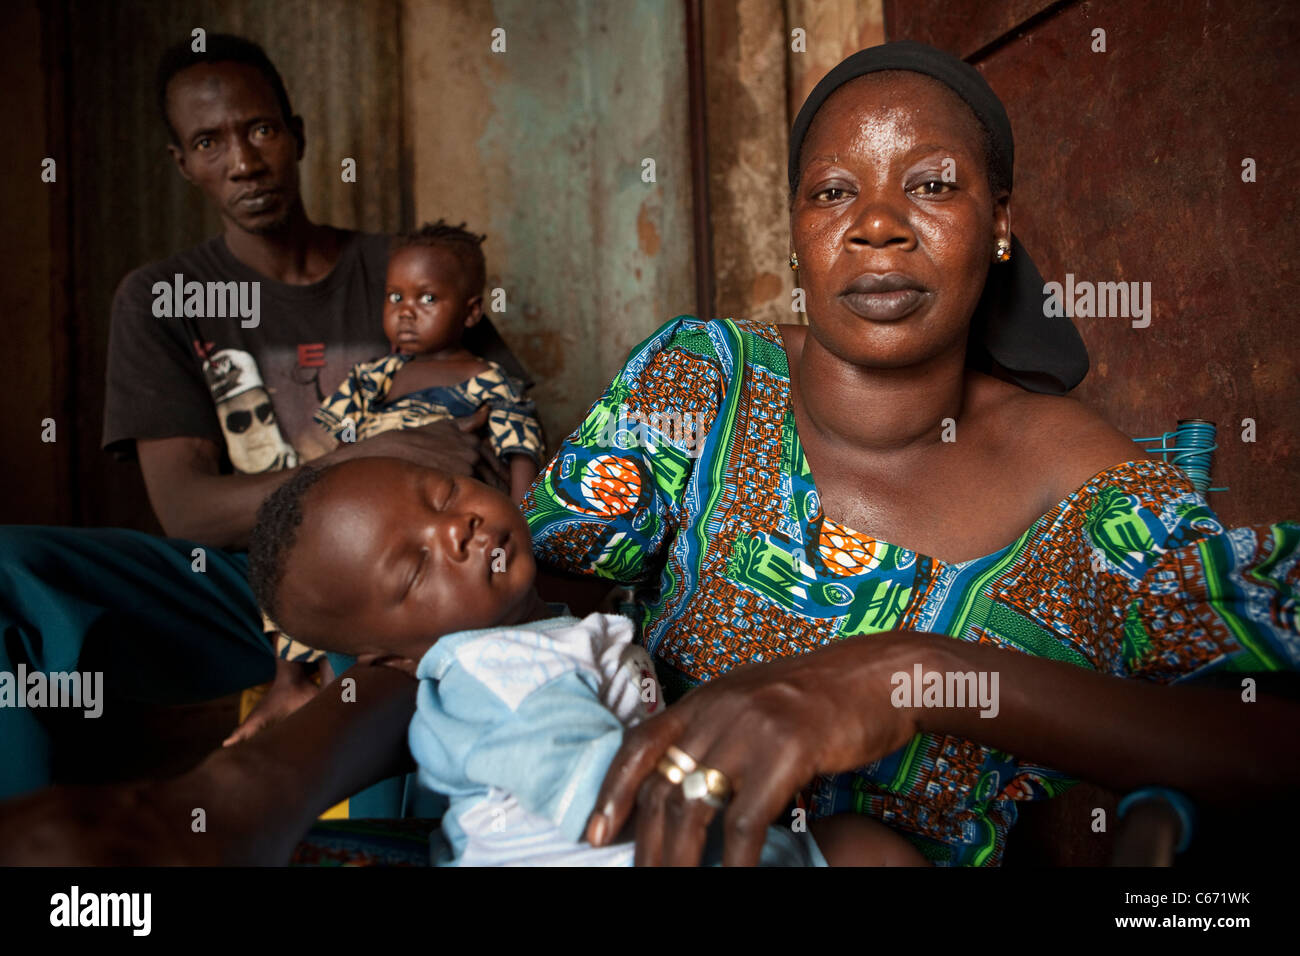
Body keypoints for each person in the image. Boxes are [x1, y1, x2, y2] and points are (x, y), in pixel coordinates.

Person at [520, 41, 1300, 866]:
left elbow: (1270, 730)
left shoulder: (1075, 485)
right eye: (832, 193)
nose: (878, 226)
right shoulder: (703, 381)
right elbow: (498, 594)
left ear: (999, 223)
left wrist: (910, 675)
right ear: (794, 234)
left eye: (930, 186)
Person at [0, 33, 521, 799]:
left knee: (389, 618)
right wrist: (348, 465)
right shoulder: (159, 298)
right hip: (236, 585)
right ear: (182, 163)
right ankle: (30, 839)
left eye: (260, 129)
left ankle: (388, 845)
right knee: (9, 570)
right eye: (209, 142)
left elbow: (485, 443)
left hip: (397, 572)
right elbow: (189, 514)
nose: (243, 160)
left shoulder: (407, 271)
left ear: (297, 134)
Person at [241, 456, 924, 865]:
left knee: (864, 845)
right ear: (389, 656)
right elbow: (607, 794)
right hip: (639, 842)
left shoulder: (537, 638)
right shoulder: (499, 673)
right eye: (414, 567)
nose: (456, 531)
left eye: (443, 494)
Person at [313, 222, 543, 504]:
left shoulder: (487, 381)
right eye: (395, 297)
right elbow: (341, 456)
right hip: (372, 510)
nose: (406, 312)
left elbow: (521, 455)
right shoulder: (370, 378)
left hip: (448, 514)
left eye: (427, 298)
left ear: (471, 312)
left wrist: (524, 525)